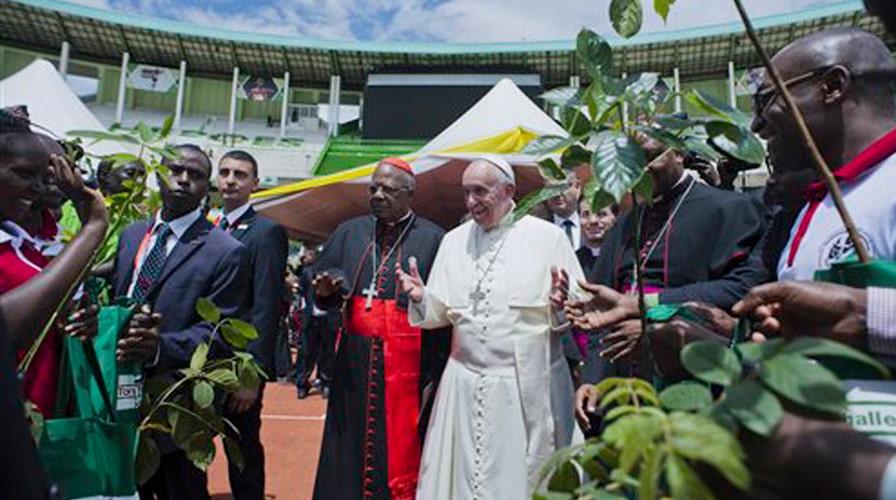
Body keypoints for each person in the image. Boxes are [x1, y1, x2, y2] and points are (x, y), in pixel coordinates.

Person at [396, 156, 585, 499]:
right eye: (467, 192)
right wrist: (422, 297)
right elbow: (440, 314)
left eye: (480, 192)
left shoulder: (547, 238)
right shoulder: (454, 240)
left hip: (525, 383)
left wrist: (561, 307)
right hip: (464, 383)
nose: (471, 202)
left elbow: (575, 315)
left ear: (509, 190)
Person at [111, 144, 248, 500]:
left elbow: (219, 334)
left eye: (197, 175)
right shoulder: (130, 236)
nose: (184, 179)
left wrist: (160, 348)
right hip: (116, 394)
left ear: (208, 188)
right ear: (159, 174)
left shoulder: (225, 251)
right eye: (175, 170)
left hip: (177, 406)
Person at [310, 158, 448, 500]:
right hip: (353, 365)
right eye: (373, 187)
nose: (378, 194)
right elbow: (324, 290)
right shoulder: (348, 231)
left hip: (410, 364)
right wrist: (324, 293)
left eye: (388, 188)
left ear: (409, 194)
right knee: (349, 442)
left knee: (399, 444)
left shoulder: (434, 238)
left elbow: (443, 304)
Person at [569, 134, 767, 368]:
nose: (641, 169)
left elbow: (741, 291)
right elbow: (600, 306)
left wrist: (650, 313)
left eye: (651, 158)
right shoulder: (627, 222)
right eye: (631, 163)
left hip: (695, 367)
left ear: (680, 153)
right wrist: (593, 379)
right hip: (624, 376)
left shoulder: (730, 209)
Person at [750, 28, 896, 281]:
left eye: (765, 100)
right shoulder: (821, 200)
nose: (756, 125)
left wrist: (872, 312)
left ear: (833, 86)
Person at [215, 150, 288, 500]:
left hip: (237, 363)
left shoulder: (267, 232)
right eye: (225, 172)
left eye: (240, 174)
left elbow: (266, 305)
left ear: (254, 184)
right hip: (197, 359)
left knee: (240, 446)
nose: (231, 179)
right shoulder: (205, 226)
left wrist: (251, 374)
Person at [295, 247, 337, 399]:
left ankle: (326, 383)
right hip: (310, 318)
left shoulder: (334, 273)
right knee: (306, 353)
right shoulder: (307, 272)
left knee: (327, 353)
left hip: (328, 319)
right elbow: (302, 292)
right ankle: (302, 383)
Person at [576, 199, 618, 275]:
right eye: (586, 214)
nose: (593, 221)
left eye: (601, 214)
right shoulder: (574, 260)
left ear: (616, 217)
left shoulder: (625, 258)